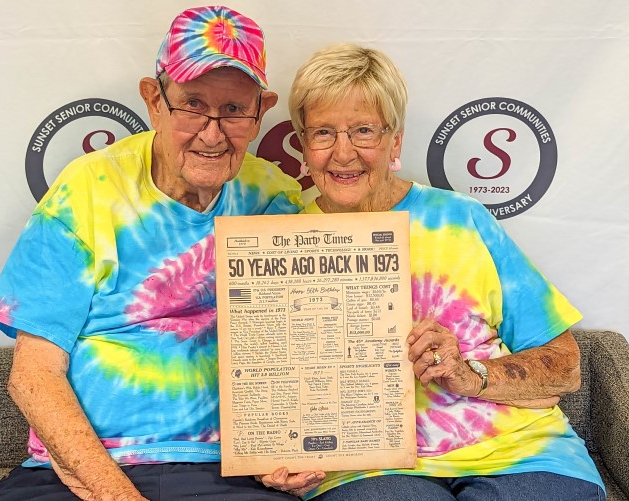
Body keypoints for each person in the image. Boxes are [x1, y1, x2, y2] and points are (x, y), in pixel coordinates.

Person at [0, 6, 310, 500]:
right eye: (192, 104)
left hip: (227, 468)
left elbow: (308, 351)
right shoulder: (87, 190)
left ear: (261, 111)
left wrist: (294, 451)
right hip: (83, 468)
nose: (212, 131)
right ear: (154, 99)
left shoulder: (275, 201)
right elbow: (33, 374)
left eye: (233, 110)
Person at [258, 43, 605, 500]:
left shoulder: (460, 218)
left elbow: (566, 366)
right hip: (369, 468)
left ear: (395, 140)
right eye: (323, 133)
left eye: (364, 131)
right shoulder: (273, 242)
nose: (343, 153)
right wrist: (271, 458)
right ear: (303, 145)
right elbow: (262, 386)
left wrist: (471, 374)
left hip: (519, 453)